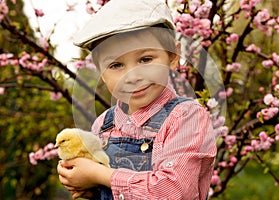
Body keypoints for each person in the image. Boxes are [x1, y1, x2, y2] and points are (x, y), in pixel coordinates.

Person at [57, 0, 217, 199]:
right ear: (102, 74)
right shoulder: (104, 125)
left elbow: (174, 190)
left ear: (173, 57)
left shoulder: (186, 117)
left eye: (145, 59)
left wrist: (98, 174)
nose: (132, 76)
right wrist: (86, 185)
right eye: (116, 65)